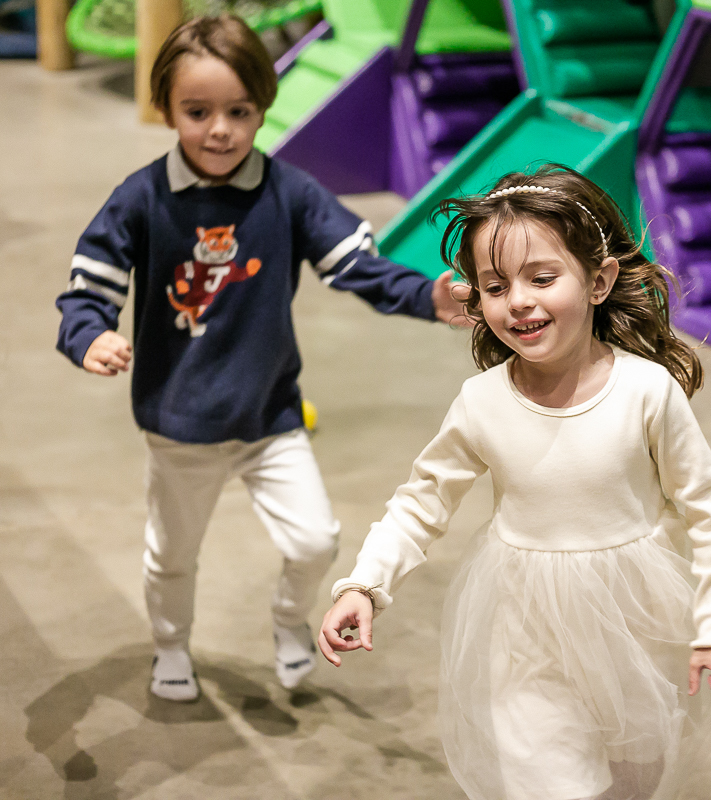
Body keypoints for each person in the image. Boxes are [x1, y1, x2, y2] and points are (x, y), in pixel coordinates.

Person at [54, 14, 465, 702]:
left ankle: (288, 621)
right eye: (197, 111)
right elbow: (86, 289)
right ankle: (171, 646)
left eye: (238, 112)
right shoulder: (140, 198)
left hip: (270, 416)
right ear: (166, 109)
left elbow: (358, 266)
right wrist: (90, 334)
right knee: (172, 556)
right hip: (178, 423)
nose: (219, 129)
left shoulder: (289, 193)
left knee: (315, 541)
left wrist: (430, 295)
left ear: (262, 108)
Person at [320, 165, 711, 800]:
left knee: (637, 770)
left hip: (633, 613)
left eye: (542, 278)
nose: (518, 300)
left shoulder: (645, 391)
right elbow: (422, 501)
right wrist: (366, 581)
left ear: (599, 281)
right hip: (521, 618)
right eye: (495, 286)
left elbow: (710, 508)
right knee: (547, 777)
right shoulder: (482, 402)